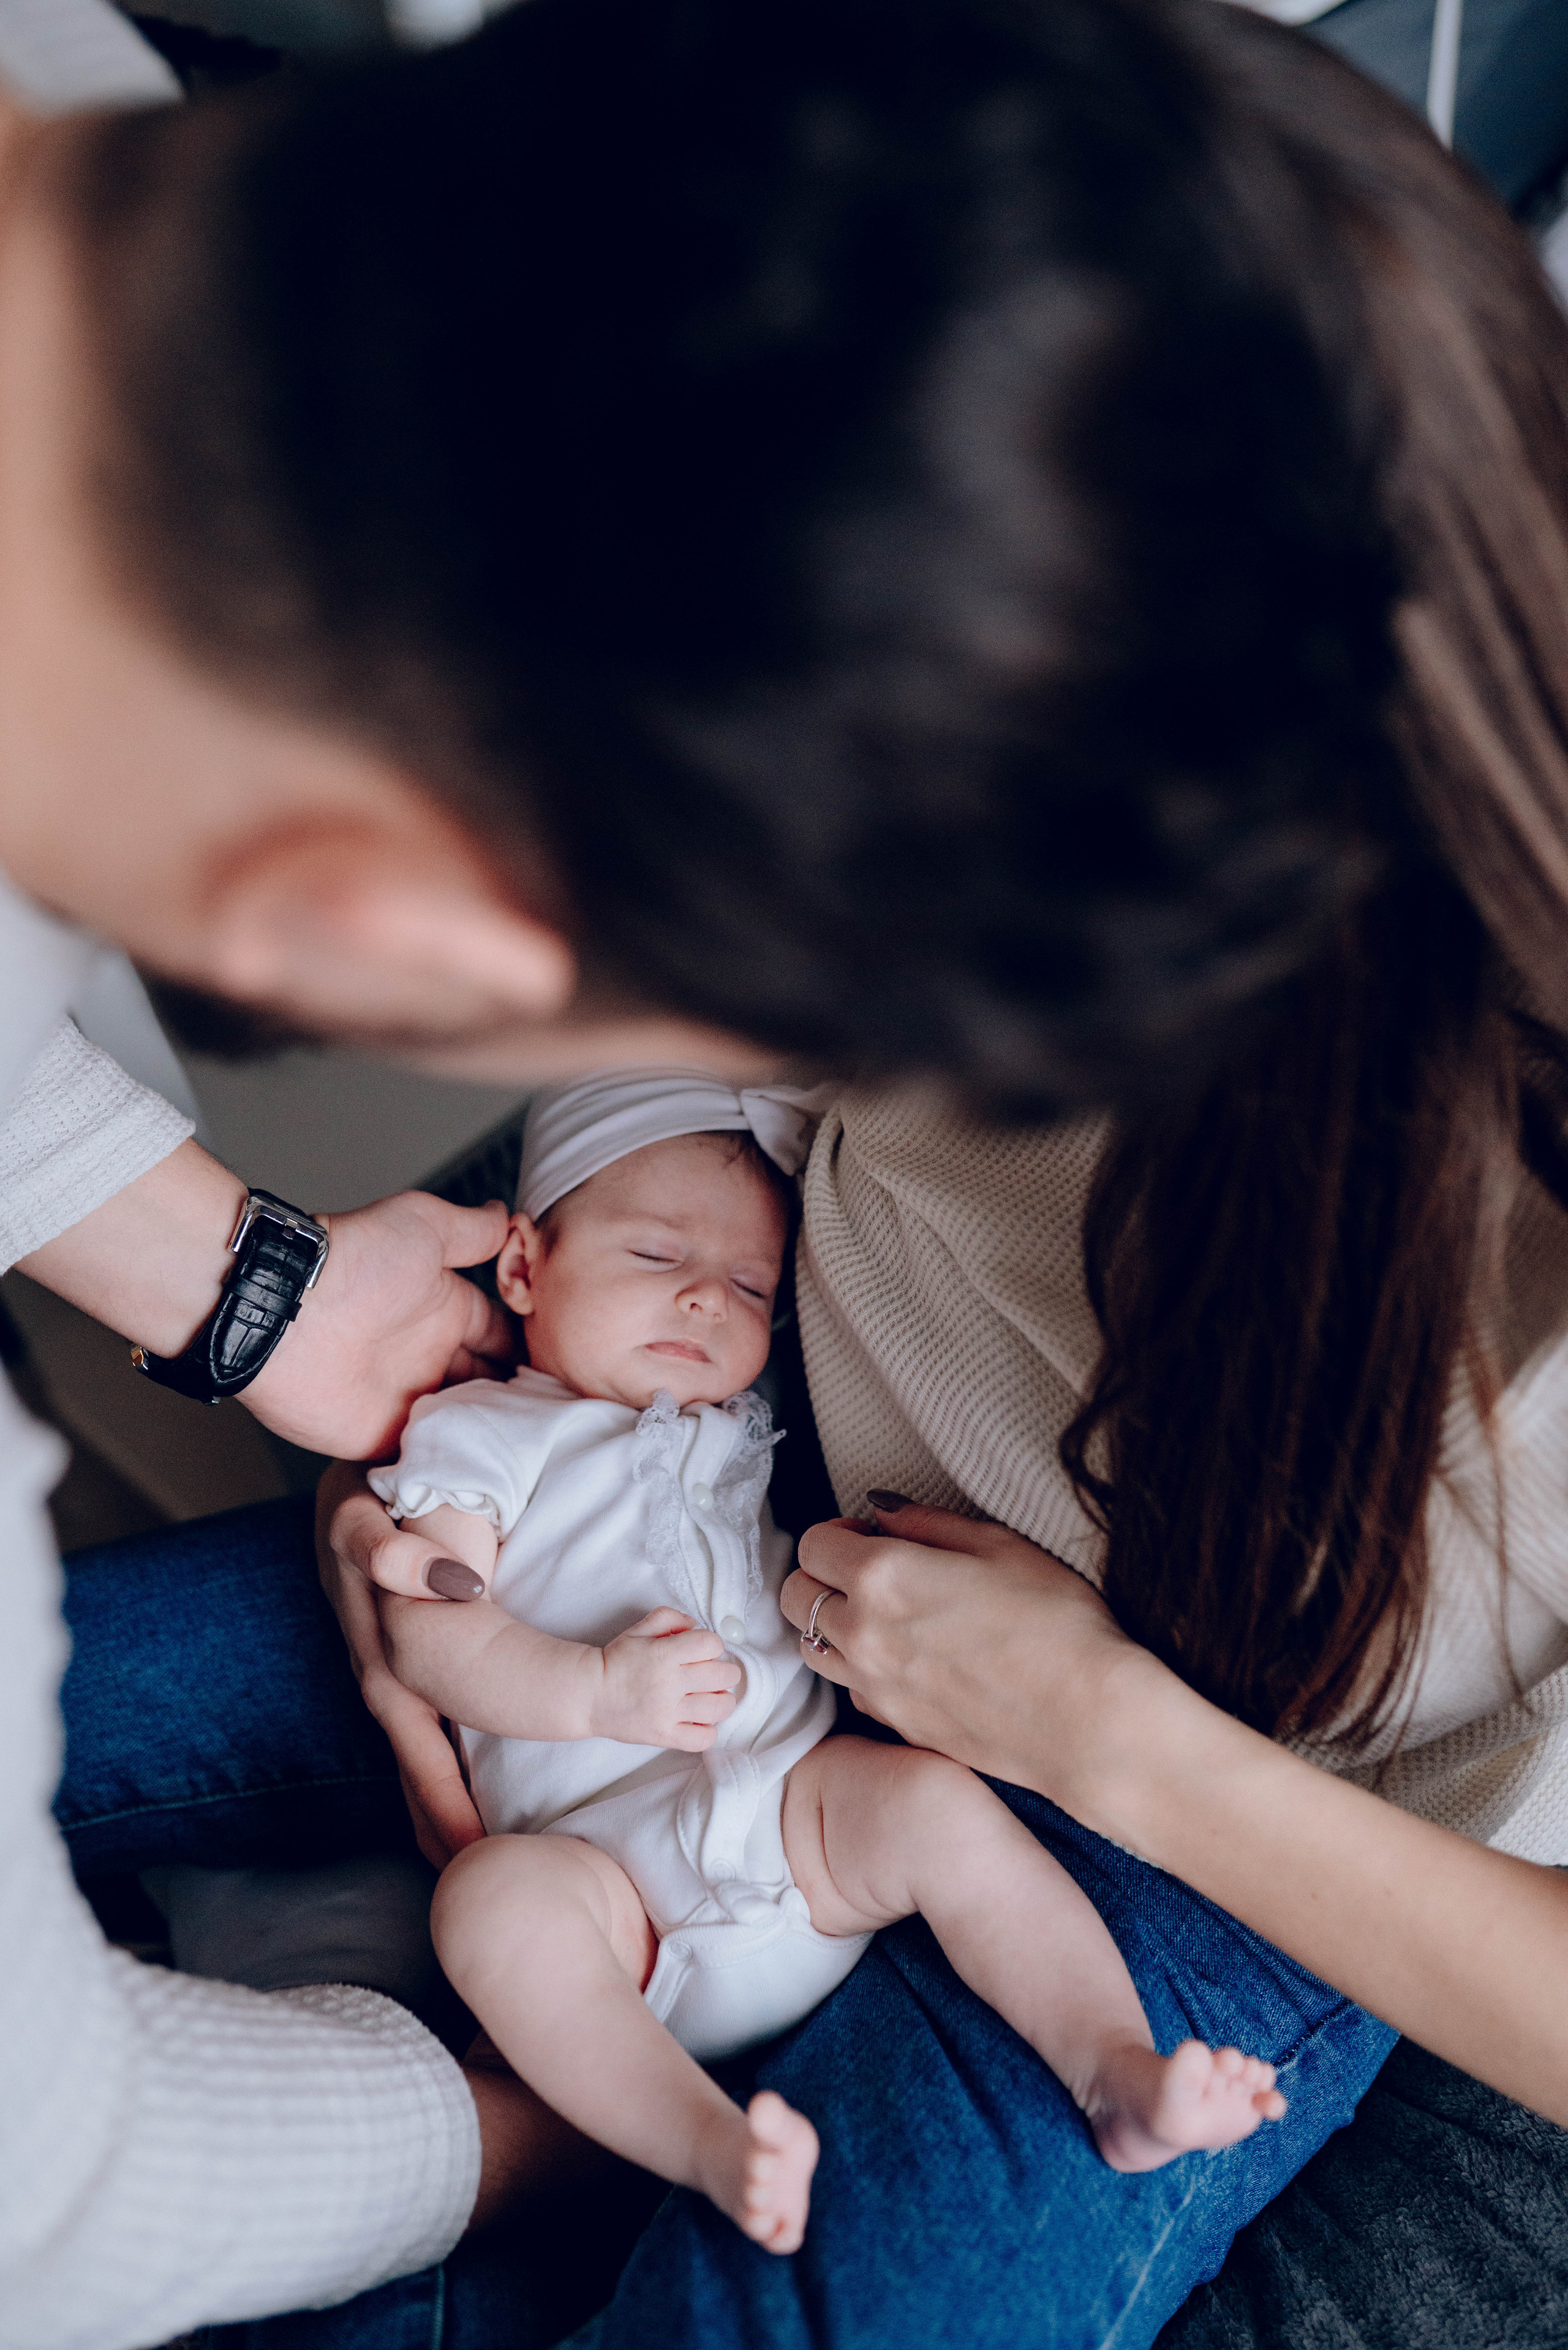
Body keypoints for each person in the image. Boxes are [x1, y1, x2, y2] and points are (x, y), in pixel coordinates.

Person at [0, 2, 1561, 2347]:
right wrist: (559, 2103)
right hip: (732, 1475)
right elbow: (61, 2196)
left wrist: (1109, 1740)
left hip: (1233, 1787)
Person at [368, 1069, 1285, 2256]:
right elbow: (426, 1633)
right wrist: (591, 1689)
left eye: (750, 1285)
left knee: (935, 1810)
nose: (706, 1297)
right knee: (490, 1906)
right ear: (525, 1266)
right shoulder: (489, 1431)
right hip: (608, 1890)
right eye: (656, 1254)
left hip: (797, 1830)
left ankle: (1111, 2064)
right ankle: (705, 2140)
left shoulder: (743, 1427)